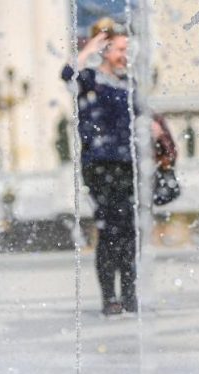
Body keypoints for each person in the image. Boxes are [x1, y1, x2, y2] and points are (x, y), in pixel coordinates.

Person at [61, 18, 137, 316]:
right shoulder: (90, 78)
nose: (125, 56)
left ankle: (130, 294)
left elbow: (143, 118)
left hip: (127, 163)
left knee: (130, 231)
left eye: (127, 49)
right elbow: (67, 74)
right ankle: (110, 297)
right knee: (109, 230)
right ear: (106, 50)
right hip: (100, 164)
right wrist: (92, 45)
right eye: (119, 49)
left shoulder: (129, 82)